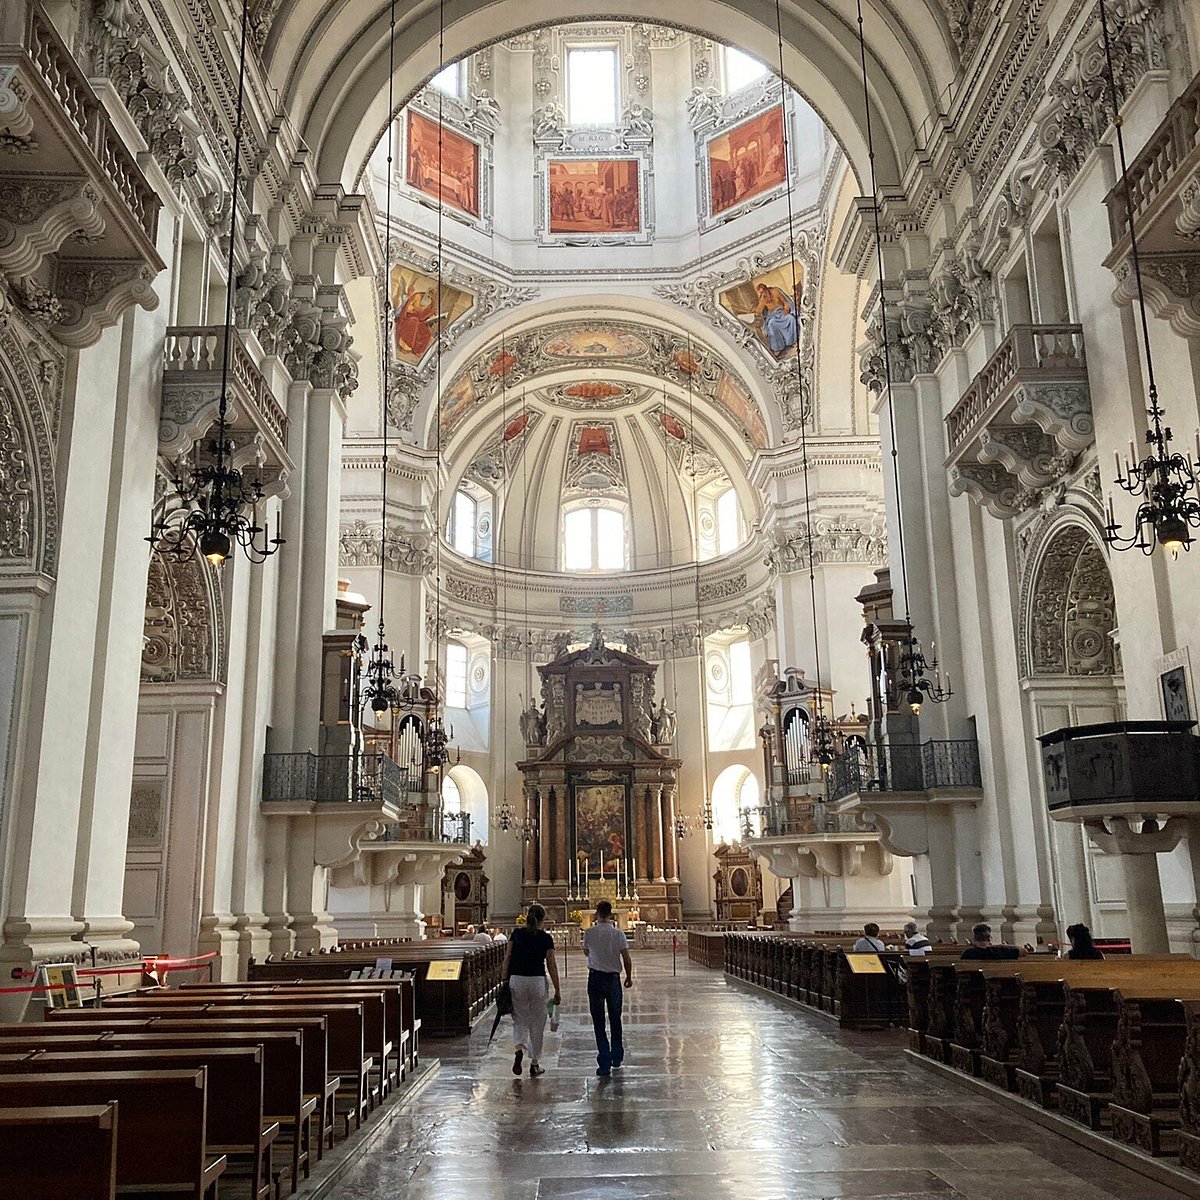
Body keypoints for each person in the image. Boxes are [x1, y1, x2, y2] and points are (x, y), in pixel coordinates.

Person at [502, 903, 560, 1077]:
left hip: (516, 979)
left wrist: (504, 979)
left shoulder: (517, 934)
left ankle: (519, 1048)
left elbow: (508, 956)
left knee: (519, 1018)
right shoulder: (545, 938)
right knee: (537, 1022)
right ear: (543, 919)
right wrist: (557, 988)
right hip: (536, 981)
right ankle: (534, 1063)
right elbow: (551, 964)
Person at [583, 899, 632, 1077]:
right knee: (615, 1017)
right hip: (613, 979)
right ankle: (617, 1056)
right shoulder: (618, 934)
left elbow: (586, 951)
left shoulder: (589, 932)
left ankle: (604, 1061)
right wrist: (629, 976)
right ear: (611, 914)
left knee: (598, 1021)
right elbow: (626, 958)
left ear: (597, 913)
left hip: (595, 978)